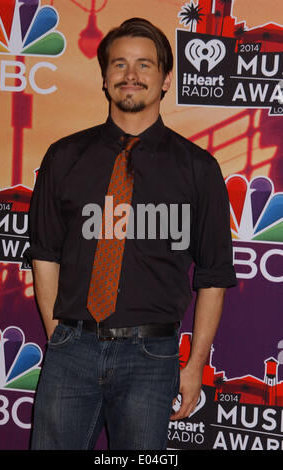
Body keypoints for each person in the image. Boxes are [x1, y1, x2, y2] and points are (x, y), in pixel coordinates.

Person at [26, 18, 237, 450]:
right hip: (72, 348)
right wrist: (59, 337)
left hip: (152, 356)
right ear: (104, 78)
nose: (131, 75)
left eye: (145, 65)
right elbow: (44, 255)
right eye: (119, 65)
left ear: (165, 80)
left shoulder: (198, 168)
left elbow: (214, 275)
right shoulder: (64, 157)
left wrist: (195, 364)